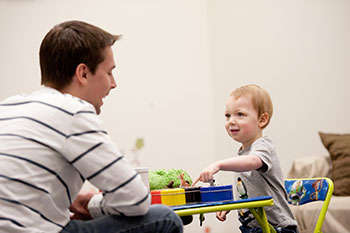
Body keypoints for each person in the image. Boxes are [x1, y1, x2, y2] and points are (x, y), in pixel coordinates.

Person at [0, 20, 183, 233]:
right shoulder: (72, 111)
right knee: (164, 218)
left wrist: (71, 200)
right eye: (109, 72)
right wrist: (95, 205)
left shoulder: (8, 107)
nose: (113, 83)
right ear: (83, 73)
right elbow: (135, 199)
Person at [192, 84, 298, 233]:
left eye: (240, 114)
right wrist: (231, 204)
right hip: (252, 227)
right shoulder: (243, 153)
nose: (231, 121)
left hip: (277, 228)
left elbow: (253, 162)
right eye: (228, 115)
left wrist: (219, 165)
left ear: (262, 120)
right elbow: (247, 188)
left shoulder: (263, 146)